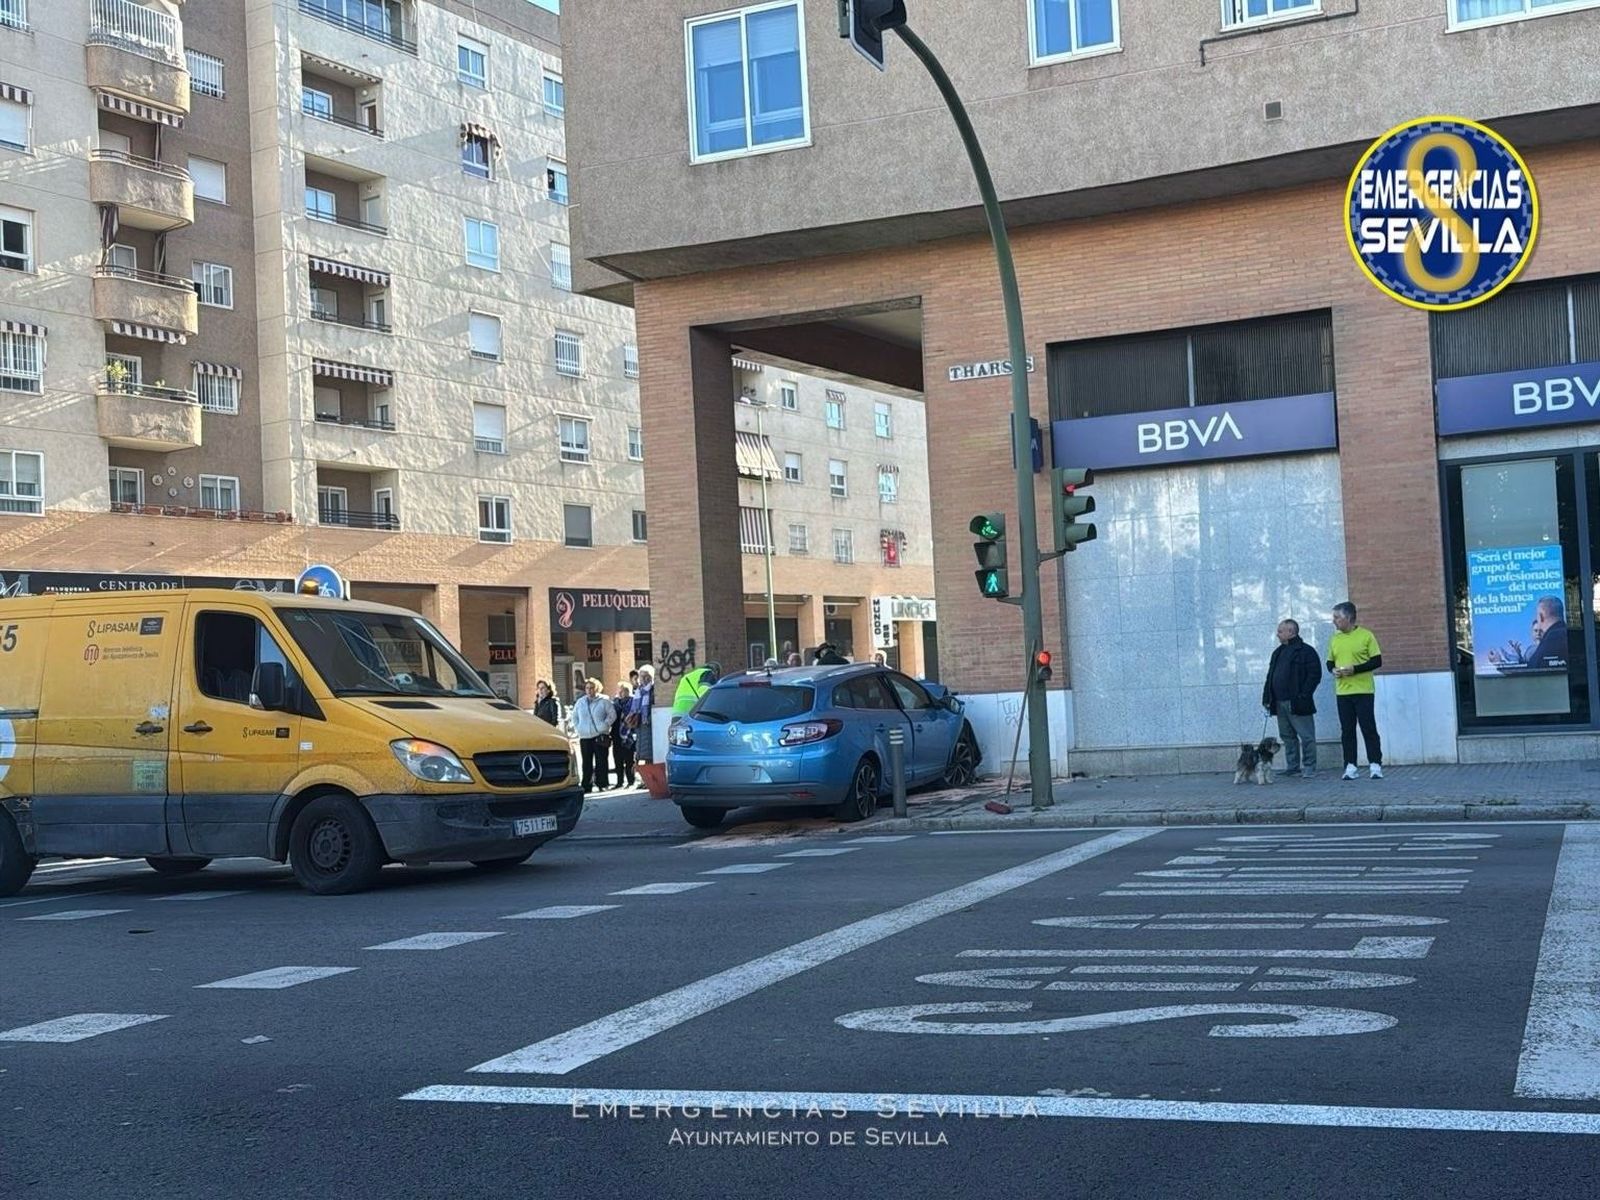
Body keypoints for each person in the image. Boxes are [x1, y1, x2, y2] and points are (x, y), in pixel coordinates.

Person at [1327, 601, 1383, 781]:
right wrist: (1333, 670)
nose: (1334, 621)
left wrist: (1355, 670)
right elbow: (1330, 661)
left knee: (1368, 727)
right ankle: (1350, 766)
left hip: (1363, 690)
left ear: (1348, 617)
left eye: (1337, 617)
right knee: (1347, 730)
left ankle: (1375, 765)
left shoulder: (1366, 636)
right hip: (1342, 691)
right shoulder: (1335, 639)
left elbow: (1377, 661)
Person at [1261, 619, 1321, 779]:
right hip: (1279, 702)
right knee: (1287, 736)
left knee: (1306, 736)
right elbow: (1270, 677)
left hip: (1298, 702)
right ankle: (1293, 766)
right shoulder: (1278, 652)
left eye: (1281, 631)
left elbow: (1315, 675)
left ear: (1291, 632)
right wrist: (1267, 697)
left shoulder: (1306, 651)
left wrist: (1304, 694)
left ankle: (1309, 767)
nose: (1277, 634)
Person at [1489, 596, 1568, 671]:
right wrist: (1519, 658)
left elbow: (1530, 672)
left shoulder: (1550, 642)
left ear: (1541, 616)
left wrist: (1499, 663)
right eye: (1535, 631)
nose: (1538, 634)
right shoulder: (1568, 636)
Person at [571, 677, 616, 794]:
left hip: (599, 735)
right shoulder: (580, 702)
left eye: (592, 688)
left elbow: (612, 715)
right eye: (587, 688)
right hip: (585, 736)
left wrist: (605, 725)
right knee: (586, 762)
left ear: (597, 689)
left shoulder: (604, 701)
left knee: (601, 761)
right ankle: (587, 785)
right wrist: (579, 727)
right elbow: (574, 716)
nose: (589, 690)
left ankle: (602, 783)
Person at [611, 681, 636, 789]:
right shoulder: (615, 703)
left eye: (624, 691)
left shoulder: (633, 701)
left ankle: (631, 781)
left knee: (629, 759)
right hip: (616, 734)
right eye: (620, 691)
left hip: (629, 734)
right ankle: (619, 781)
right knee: (617, 759)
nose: (621, 693)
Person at [629, 665, 656, 765]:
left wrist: (647, 718)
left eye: (647, 676)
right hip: (639, 727)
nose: (644, 679)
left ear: (652, 677)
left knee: (650, 756)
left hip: (649, 727)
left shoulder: (653, 691)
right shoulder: (638, 692)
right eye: (641, 676)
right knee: (642, 755)